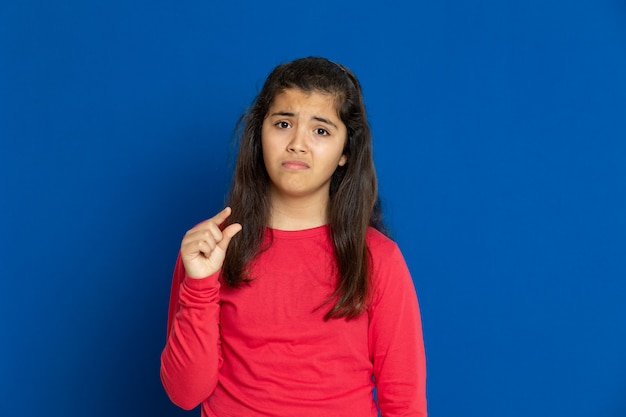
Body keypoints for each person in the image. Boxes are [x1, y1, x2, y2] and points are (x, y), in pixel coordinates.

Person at [160, 56, 427, 417]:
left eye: (321, 130)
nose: (297, 144)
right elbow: (185, 393)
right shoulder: (210, 250)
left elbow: (405, 404)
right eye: (283, 123)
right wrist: (199, 286)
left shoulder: (378, 258)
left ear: (345, 153)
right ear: (259, 135)